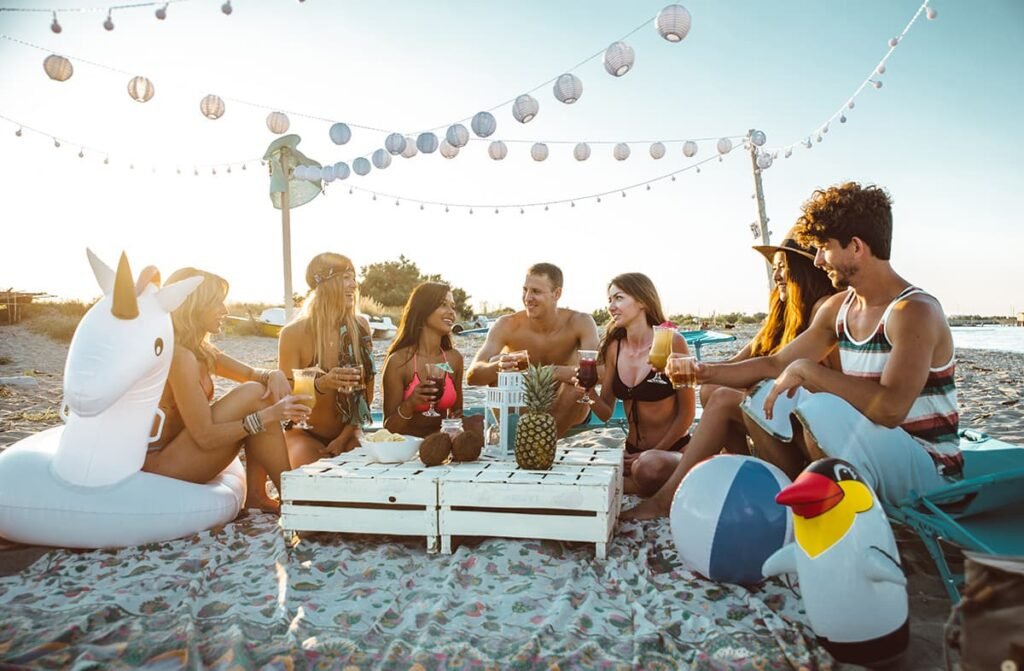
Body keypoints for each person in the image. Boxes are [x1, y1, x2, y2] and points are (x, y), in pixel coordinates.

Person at [641, 182, 960, 512]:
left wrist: (808, 372)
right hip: (866, 453)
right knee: (763, 397)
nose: (819, 260)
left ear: (855, 247)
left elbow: (891, 409)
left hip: (929, 471)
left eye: (824, 247)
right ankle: (795, 508)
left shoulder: (913, 311)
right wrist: (703, 372)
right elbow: (775, 364)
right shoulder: (839, 308)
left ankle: (823, 514)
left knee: (818, 408)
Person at [624, 229, 837, 518]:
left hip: (807, 444)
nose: (776, 277)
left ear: (806, 271)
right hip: (777, 432)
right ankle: (740, 470)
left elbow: (774, 366)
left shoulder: (822, 314)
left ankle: (665, 501)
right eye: (774, 270)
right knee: (711, 390)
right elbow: (738, 363)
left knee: (723, 397)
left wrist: (708, 372)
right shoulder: (779, 322)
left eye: (783, 268)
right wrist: (696, 370)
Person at [143, 267, 311, 513]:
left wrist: (272, 375)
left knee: (256, 390)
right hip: (164, 466)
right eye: (217, 303)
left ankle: (259, 495)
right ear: (194, 307)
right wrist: (270, 415)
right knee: (256, 397)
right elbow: (205, 436)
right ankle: (296, 500)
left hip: (183, 450)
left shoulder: (201, 350)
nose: (225, 310)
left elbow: (251, 375)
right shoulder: (180, 357)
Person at [585, 273, 695, 495]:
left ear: (642, 301)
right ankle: (640, 485)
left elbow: (687, 413)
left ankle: (638, 485)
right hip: (632, 453)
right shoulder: (614, 347)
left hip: (671, 451)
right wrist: (588, 392)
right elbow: (606, 412)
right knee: (595, 471)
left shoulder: (672, 341)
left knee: (648, 467)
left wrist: (652, 452)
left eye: (618, 298)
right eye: (609, 300)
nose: (611, 307)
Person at [467, 263, 600, 436]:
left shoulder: (580, 322)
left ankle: (541, 440)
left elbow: (600, 373)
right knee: (495, 366)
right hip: (525, 407)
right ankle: (522, 438)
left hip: (568, 409)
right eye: (525, 290)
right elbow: (472, 376)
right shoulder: (507, 325)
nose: (527, 298)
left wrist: (555, 371)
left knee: (576, 383)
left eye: (536, 292)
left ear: (556, 294)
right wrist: (498, 366)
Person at [278, 252, 375, 467]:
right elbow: (285, 396)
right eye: (345, 278)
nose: (353, 285)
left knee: (363, 480)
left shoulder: (360, 327)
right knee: (312, 482)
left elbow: (367, 392)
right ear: (326, 283)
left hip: (348, 433)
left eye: (354, 278)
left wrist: (343, 438)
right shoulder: (293, 333)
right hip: (304, 433)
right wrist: (322, 383)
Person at [381, 282, 479, 437]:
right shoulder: (399, 362)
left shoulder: (454, 359)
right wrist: (411, 403)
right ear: (423, 310)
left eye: (452, 306)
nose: (451, 312)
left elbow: (456, 414)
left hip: (441, 442)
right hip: (410, 446)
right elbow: (389, 429)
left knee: (479, 422)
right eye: (443, 305)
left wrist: (458, 421)